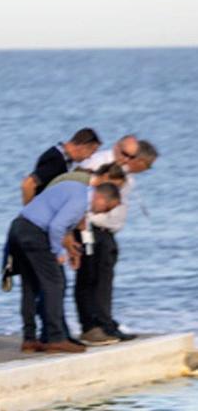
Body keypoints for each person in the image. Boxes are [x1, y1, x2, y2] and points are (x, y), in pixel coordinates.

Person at [8, 180, 121, 354]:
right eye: (106, 209)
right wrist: (58, 252)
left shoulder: (78, 191)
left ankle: (29, 339)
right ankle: (55, 338)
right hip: (35, 232)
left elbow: (61, 223)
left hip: (19, 227)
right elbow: (57, 226)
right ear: (100, 198)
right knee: (55, 283)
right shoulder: (81, 201)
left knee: (30, 285)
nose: (102, 213)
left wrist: (70, 250)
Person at [74, 137, 158, 345]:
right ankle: (90, 326)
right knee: (88, 277)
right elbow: (80, 191)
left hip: (107, 232)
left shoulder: (127, 176)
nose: (128, 160)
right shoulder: (98, 163)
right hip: (89, 228)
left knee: (104, 280)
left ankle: (105, 323)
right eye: (145, 165)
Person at [20, 127, 102, 205]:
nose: (89, 157)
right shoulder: (56, 160)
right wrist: (30, 210)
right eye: (91, 152)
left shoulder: (63, 156)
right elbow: (28, 184)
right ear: (83, 147)